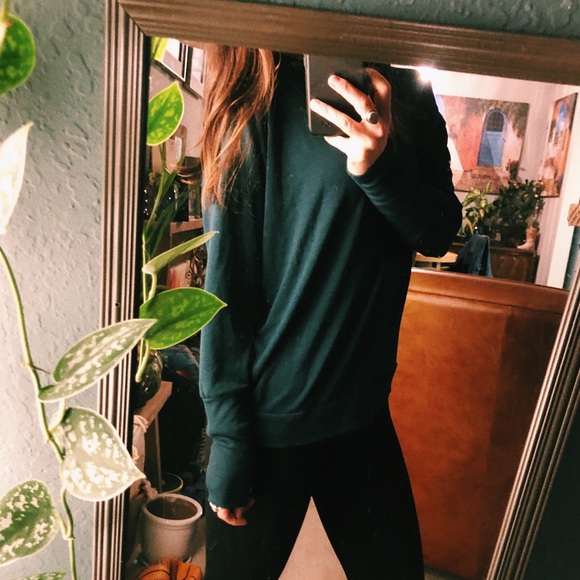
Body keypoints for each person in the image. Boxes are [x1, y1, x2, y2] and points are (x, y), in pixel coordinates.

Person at [198, 46, 461, 579]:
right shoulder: (257, 82)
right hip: (271, 423)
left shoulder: (406, 87)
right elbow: (227, 284)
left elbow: (439, 231)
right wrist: (227, 437)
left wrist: (378, 170)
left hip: (363, 413)